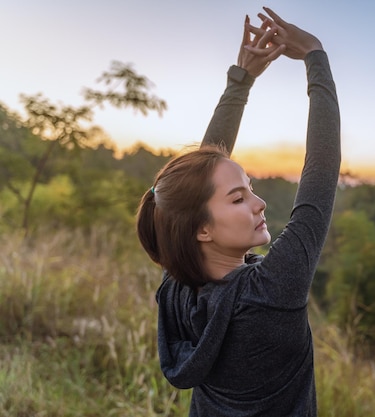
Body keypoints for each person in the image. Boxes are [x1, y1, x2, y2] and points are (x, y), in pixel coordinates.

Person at [136, 7, 340, 417]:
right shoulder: (272, 291)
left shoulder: (178, 283)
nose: (259, 203)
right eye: (238, 198)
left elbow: (198, 178)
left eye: (251, 189)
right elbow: (320, 171)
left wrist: (241, 81)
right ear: (202, 230)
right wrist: (316, 56)